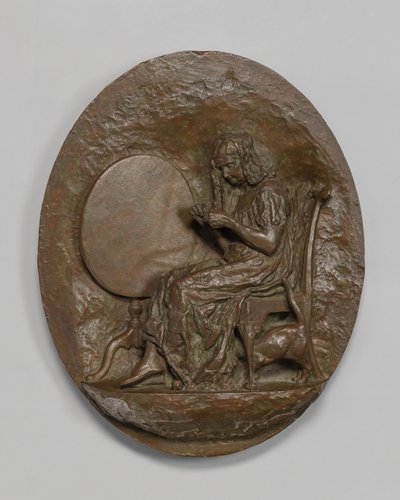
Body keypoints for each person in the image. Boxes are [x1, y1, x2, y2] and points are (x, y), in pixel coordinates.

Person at [120, 132, 290, 389]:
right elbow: (237, 243)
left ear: (245, 160)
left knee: (184, 290)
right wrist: (210, 226)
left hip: (261, 268)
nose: (225, 174)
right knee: (168, 281)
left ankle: (190, 370)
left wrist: (230, 222)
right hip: (239, 262)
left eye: (229, 165)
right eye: (221, 168)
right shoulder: (248, 193)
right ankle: (153, 360)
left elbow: (270, 243)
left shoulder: (269, 191)